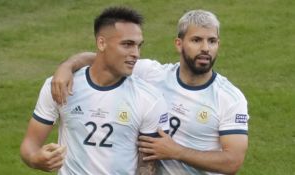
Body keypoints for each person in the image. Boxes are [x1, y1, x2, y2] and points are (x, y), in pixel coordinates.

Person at [51, 9, 249, 175]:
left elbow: (233, 161)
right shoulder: (152, 74)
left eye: (212, 41)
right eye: (196, 40)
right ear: (179, 44)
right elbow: (102, 58)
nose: (205, 48)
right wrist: (67, 66)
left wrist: (176, 151)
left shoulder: (229, 98)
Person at [20, 6, 169, 175]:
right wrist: (34, 158)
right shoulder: (60, 85)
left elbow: (148, 167)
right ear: (102, 43)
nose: (135, 53)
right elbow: (29, 145)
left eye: (138, 46)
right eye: (127, 44)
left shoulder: (149, 99)